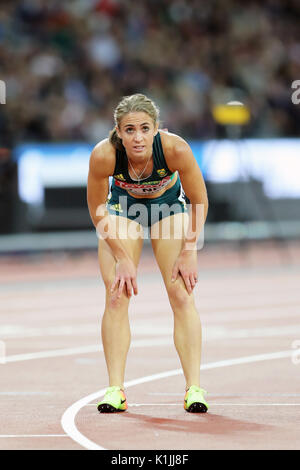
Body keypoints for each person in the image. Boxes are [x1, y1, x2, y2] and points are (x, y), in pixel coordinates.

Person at [87, 93, 209, 413]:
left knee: (181, 293)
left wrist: (190, 250)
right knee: (117, 293)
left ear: (156, 129)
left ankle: (194, 387)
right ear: (118, 131)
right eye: (129, 130)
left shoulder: (175, 149)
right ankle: (116, 389)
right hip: (122, 211)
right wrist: (123, 259)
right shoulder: (104, 155)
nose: (137, 137)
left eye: (144, 128)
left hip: (168, 210)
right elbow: (97, 209)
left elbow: (199, 200)